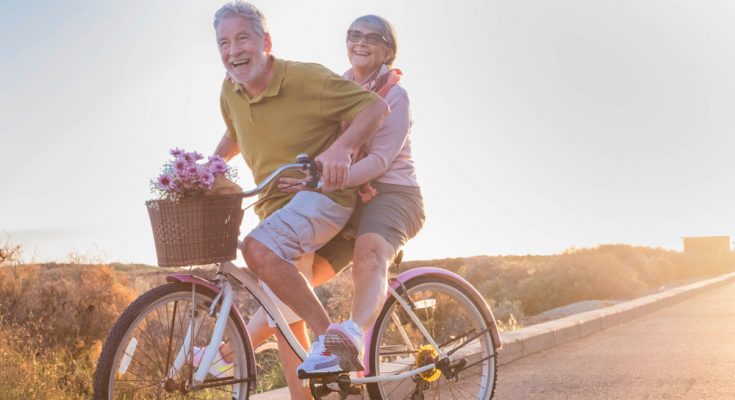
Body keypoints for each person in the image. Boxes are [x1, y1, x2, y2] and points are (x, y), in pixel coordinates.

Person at [211, 2, 389, 398]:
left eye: (242, 38)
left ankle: (332, 338)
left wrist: (342, 149)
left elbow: (374, 108)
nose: (233, 50)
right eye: (224, 42)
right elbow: (236, 132)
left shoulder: (307, 79)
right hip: (276, 208)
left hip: (321, 197)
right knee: (286, 325)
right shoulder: (230, 89)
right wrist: (209, 166)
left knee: (256, 248)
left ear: (266, 42)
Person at [247, 13, 425, 383]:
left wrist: (319, 185)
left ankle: (348, 338)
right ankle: (227, 353)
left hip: (393, 194)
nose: (361, 42)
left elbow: (377, 162)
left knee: (369, 255)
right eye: (354, 34)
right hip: (346, 198)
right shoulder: (340, 86)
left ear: (388, 50)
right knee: (294, 282)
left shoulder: (395, 95)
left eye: (372, 37)